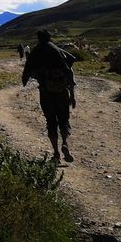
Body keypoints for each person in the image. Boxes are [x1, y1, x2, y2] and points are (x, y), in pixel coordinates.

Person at [22, 29, 76, 163]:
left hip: (45, 93)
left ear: (38, 38)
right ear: (49, 37)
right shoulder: (57, 50)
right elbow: (69, 70)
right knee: (64, 121)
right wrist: (72, 95)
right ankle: (65, 143)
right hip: (61, 92)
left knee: (51, 123)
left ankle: (56, 154)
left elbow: (27, 72)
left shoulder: (35, 52)